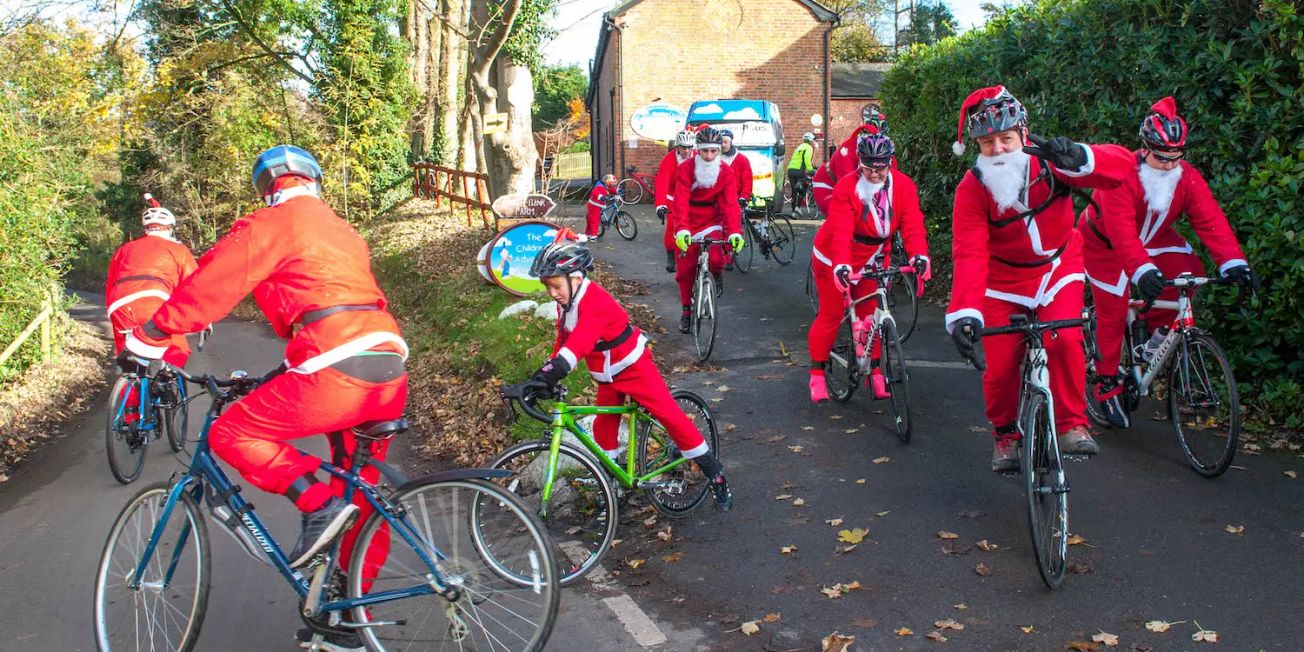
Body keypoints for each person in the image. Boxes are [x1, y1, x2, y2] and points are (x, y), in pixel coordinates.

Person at [122, 145, 407, 652]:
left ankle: (315, 505)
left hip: (334, 360)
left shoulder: (273, 223)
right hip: (386, 362)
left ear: (267, 187)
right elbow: (308, 306)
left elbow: (213, 284)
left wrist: (151, 334)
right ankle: (348, 619)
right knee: (361, 494)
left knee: (234, 431)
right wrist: (278, 373)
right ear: (313, 180)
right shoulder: (341, 229)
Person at [944, 85, 1134, 472]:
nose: (997, 149)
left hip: (1056, 270)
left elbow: (1124, 169)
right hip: (1001, 281)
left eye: (1006, 139)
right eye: (986, 142)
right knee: (999, 365)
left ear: (1024, 137)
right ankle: (1005, 436)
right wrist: (965, 311)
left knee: (1065, 341)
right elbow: (970, 250)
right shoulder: (971, 188)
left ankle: (1072, 424)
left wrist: (1082, 156)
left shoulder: (1052, 164)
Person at [1079, 96, 1256, 427]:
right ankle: (1106, 384)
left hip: (1154, 237)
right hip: (1103, 243)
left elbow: (1210, 219)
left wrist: (1235, 263)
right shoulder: (1121, 175)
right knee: (1113, 311)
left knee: (1191, 273)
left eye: (1177, 156)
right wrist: (1142, 270)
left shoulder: (1185, 175)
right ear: (1144, 149)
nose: (1171, 164)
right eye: (1162, 158)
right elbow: (1121, 233)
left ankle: (1155, 335)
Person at [527, 233, 732, 511]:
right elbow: (562, 342)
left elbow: (578, 345)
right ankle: (612, 483)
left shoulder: (594, 302)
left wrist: (552, 372)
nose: (552, 292)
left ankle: (714, 472)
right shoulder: (567, 303)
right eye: (547, 286)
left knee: (669, 415)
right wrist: (541, 376)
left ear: (576, 278)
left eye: (554, 285)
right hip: (606, 373)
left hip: (633, 366)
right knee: (603, 427)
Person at [807, 130, 930, 403]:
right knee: (831, 313)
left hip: (874, 255)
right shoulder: (846, 188)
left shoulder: (905, 187)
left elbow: (912, 225)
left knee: (870, 314)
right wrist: (841, 264)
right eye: (867, 168)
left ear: (889, 163)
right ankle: (816, 373)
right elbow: (840, 230)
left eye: (881, 168)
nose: (875, 174)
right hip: (834, 255)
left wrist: (919, 255)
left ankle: (874, 372)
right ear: (859, 163)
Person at [106, 194, 199, 368]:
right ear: (170, 228)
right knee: (178, 349)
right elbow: (194, 286)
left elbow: (111, 282)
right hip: (153, 302)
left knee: (129, 364)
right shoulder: (178, 249)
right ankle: (166, 389)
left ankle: (129, 390)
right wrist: (202, 318)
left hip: (117, 306)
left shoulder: (124, 249)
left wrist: (112, 311)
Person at [670, 127, 745, 333]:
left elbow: (730, 204)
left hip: (712, 218)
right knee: (685, 268)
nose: (709, 156)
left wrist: (735, 232)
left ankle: (716, 274)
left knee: (716, 257)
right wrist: (682, 229)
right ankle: (686, 311)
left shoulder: (726, 171)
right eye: (705, 151)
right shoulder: (685, 168)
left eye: (713, 151)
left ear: (719, 150)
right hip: (688, 219)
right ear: (698, 150)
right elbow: (681, 201)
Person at [812, 108, 897, 216]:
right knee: (845, 217)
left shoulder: (885, 150)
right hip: (827, 185)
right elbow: (847, 186)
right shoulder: (847, 151)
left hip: (855, 182)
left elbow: (894, 176)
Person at [656, 131, 697, 272]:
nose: (686, 151)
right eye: (683, 147)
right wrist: (660, 205)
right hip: (673, 198)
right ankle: (671, 255)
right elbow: (662, 182)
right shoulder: (669, 159)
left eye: (689, 147)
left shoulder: (699, 157)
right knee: (672, 226)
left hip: (693, 198)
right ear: (678, 146)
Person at [719, 129, 754, 204]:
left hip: (735, 199)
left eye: (725, 142)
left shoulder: (742, 160)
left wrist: (744, 197)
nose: (723, 145)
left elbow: (747, 181)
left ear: (730, 142)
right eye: (721, 142)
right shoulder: (715, 157)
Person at [787, 132, 816, 210]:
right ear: (810, 141)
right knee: (803, 188)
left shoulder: (799, 147)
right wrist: (811, 170)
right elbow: (807, 159)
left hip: (791, 170)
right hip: (799, 171)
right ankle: (798, 207)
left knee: (794, 190)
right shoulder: (808, 147)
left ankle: (793, 211)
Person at [585, 173, 618, 238]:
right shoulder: (599, 186)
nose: (612, 185)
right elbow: (595, 192)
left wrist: (618, 191)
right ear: (607, 182)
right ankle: (593, 236)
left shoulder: (605, 186)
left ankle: (588, 233)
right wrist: (601, 197)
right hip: (594, 205)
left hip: (598, 204)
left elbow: (611, 190)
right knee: (595, 220)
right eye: (611, 183)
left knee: (590, 219)